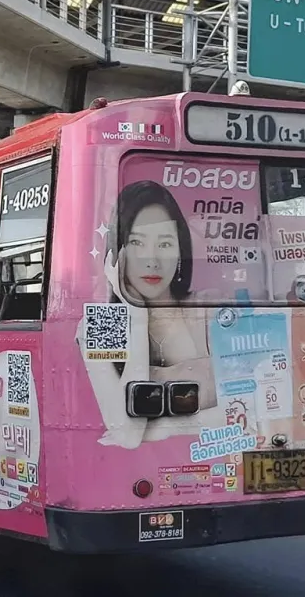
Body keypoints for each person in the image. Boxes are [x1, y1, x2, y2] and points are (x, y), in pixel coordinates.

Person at [82, 180, 221, 449]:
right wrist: (136, 314)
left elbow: (248, 408)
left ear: (181, 251)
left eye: (166, 244)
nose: (152, 259)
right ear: (117, 250)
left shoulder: (210, 310)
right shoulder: (102, 325)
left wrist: (167, 428)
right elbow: (128, 435)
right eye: (137, 242)